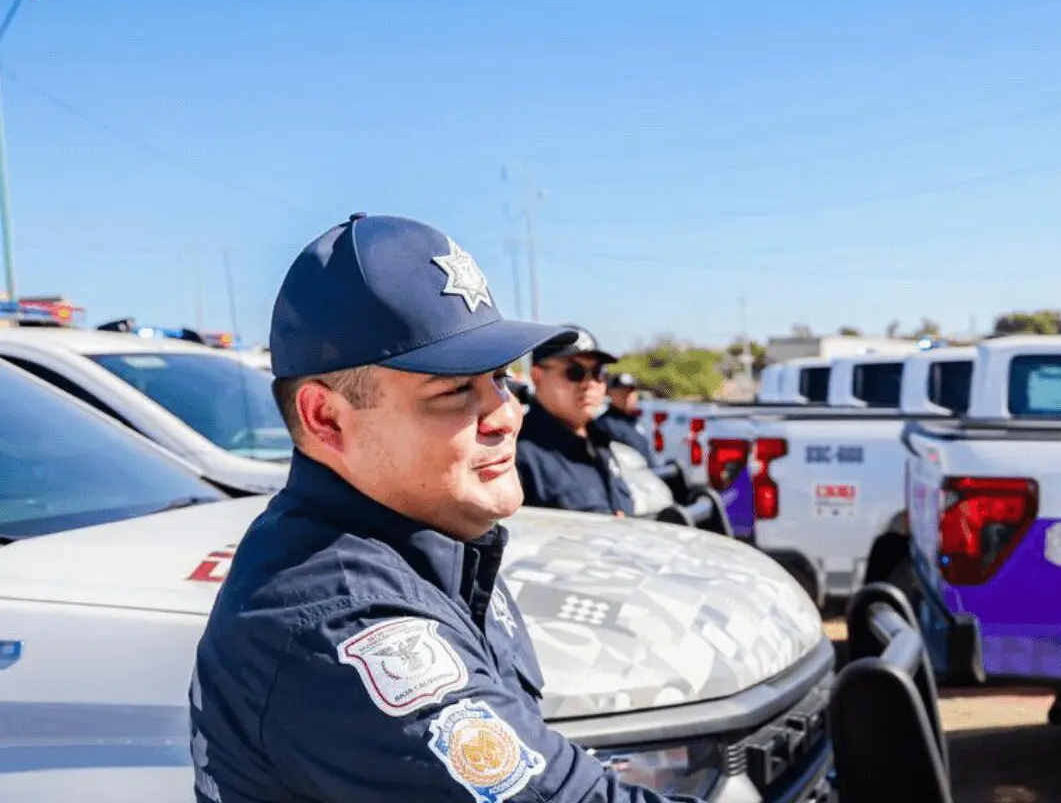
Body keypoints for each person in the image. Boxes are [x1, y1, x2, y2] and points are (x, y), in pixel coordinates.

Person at [188, 213, 700, 803]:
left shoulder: (431, 535)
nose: (508, 414)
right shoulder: (345, 622)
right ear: (326, 418)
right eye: (456, 391)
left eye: (502, 379)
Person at [515, 325, 637, 516]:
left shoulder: (600, 441)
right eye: (575, 372)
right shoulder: (517, 454)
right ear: (537, 377)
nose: (589, 384)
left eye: (598, 373)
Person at [595, 371, 661, 468]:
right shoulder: (603, 425)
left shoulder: (634, 421)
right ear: (610, 393)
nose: (627, 396)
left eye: (631, 391)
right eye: (621, 391)